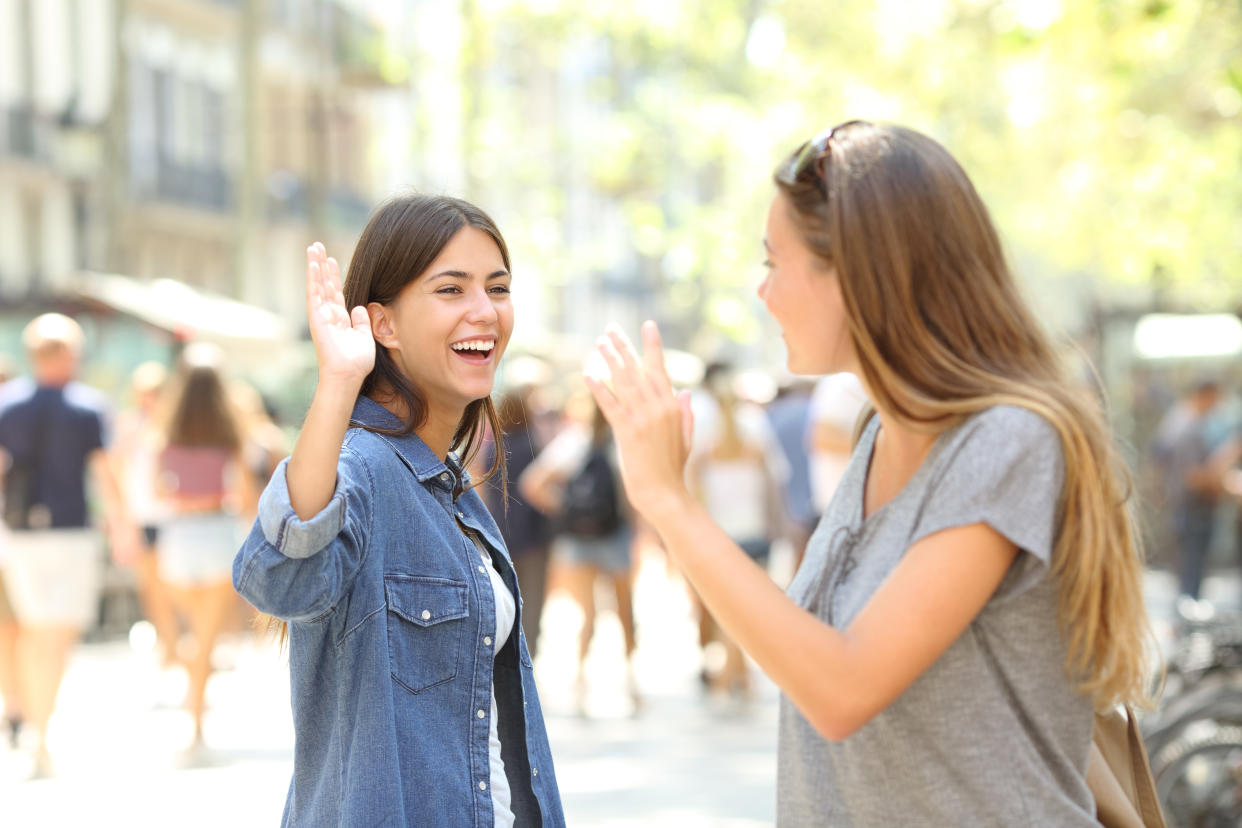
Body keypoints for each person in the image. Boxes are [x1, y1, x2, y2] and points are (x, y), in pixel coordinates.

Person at [584, 120, 1154, 825]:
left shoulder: (1008, 441)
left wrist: (669, 501)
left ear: (856, 275)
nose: (763, 293)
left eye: (773, 262)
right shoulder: (877, 435)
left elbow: (843, 688)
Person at [233, 195, 564, 827]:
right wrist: (337, 381)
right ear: (382, 324)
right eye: (450, 289)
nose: (484, 311)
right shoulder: (363, 467)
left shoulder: (450, 483)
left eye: (498, 287)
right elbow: (283, 577)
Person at [0, 313, 138, 777]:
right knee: (56, 632)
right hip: (71, 531)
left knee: (38, 629)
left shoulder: (7, 405)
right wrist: (123, 526)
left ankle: (30, 718)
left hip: (20, 533)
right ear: (63, 354)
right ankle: (41, 733)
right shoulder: (88, 407)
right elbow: (104, 473)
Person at [157, 344, 254, 751]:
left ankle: (193, 706)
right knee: (207, 636)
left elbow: (158, 493)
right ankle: (196, 719)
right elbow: (247, 498)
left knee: (193, 633)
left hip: (179, 536)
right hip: (217, 532)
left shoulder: (166, 438)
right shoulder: (232, 438)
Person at [520, 392, 640, 714]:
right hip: (614, 536)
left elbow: (533, 484)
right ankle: (631, 682)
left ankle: (582, 680)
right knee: (624, 610)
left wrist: (568, 512)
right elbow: (635, 495)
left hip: (580, 539)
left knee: (588, 614)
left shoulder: (575, 441)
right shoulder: (624, 442)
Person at [687, 363, 785, 700]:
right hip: (755, 530)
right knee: (748, 611)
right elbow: (777, 476)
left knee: (728, 613)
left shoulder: (702, 431)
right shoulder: (756, 428)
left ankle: (725, 679)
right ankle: (742, 676)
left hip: (720, 532)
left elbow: (691, 485)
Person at [112, 361, 179, 666]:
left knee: (174, 585)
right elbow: (119, 469)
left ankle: (177, 643)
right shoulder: (130, 426)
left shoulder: (175, 425)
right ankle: (169, 645)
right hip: (141, 515)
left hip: (172, 517)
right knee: (150, 587)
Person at [481, 384, 554, 659]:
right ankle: (528, 658)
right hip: (533, 535)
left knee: (505, 600)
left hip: (501, 533)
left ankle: (507, 658)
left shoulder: (493, 446)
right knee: (532, 603)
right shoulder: (532, 444)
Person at [1150, 378, 1223, 601]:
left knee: (1188, 570)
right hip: (1192, 508)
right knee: (1191, 573)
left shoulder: (1178, 421)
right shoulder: (1188, 427)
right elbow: (1192, 477)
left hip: (1184, 506)